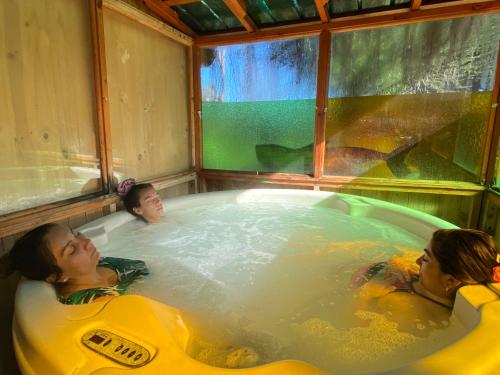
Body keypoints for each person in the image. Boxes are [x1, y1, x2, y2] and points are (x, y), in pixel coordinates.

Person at [352, 228, 500, 335]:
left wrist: (364, 294)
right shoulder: (435, 284)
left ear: (450, 281)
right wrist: (396, 262)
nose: (417, 261)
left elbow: (353, 330)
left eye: (425, 259)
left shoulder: (401, 304)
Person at [6, 223, 149, 304]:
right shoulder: (89, 302)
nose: (86, 242)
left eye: (76, 234)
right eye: (71, 249)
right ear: (57, 276)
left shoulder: (104, 262)